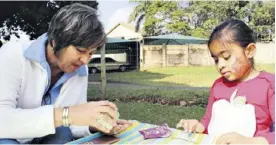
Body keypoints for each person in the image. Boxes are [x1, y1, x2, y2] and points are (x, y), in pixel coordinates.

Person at [0, 3, 131, 144]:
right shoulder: (12, 55)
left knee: (62, 131)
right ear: (56, 41)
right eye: (80, 50)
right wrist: (68, 114)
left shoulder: (79, 69)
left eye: (91, 53)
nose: (86, 60)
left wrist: (94, 124)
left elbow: (72, 123)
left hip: (43, 137)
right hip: (8, 137)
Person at [177, 19, 275, 144]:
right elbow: (208, 120)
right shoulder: (218, 85)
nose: (220, 65)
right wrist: (198, 126)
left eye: (227, 57)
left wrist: (250, 142)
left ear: (249, 51)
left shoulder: (269, 85)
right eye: (216, 60)